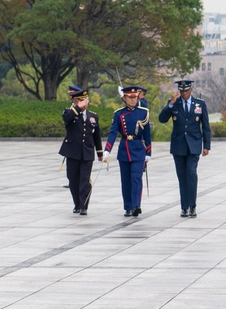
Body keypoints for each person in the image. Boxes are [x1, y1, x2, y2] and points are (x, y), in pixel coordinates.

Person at [158, 80, 211, 218]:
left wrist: (206, 146)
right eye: (181, 91)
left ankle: (192, 205)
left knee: (191, 174)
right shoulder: (174, 103)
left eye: (186, 91)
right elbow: (162, 119)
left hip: (194, 145)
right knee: (182, 177)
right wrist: (170, 104)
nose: (184, 93)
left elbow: (205, 126)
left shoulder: (200, 104)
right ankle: (184, 207)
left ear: (191, 90)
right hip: (178, 146)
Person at [103, 85, 152, 218]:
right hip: (124, 148)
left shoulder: (143, 112)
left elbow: (147, 134)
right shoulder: (118, 114)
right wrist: (107, 150)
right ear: (124, 98)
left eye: (135, 97)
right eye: (130, 98)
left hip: (138, 149)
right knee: (126, 180)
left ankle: (136, 205)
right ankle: (128, 206)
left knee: (136, 178)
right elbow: (113, 133)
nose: (133, 100)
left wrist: (148, 152)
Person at [59, 86, 103, 216]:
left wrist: (100, 153)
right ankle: (77, 203)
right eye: (80, 100)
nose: (84, 103)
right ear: (74, 101)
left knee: (85, 180)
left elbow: (97, 135)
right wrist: (77, 108)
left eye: (85, 100)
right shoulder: (69, 112)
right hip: (72, 152)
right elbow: (67, 119)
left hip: (87, 152)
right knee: (73, 179)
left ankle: (84, 205)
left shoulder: (93, 116)